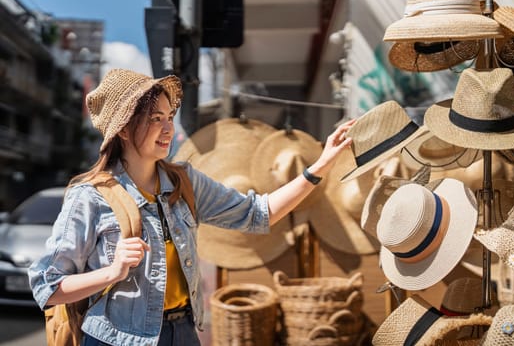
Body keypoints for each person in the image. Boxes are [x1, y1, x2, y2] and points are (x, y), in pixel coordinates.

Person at [28, 68, 355, 346]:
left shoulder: (185, 183)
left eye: (169, 116)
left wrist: (320, 167)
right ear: (124, 129)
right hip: (116, 338)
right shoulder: (90, 196)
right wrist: (111, 272)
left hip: (183, 332)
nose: (168, 127)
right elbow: (48, 285)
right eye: (155, 118)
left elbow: (258, 213)